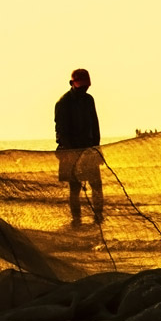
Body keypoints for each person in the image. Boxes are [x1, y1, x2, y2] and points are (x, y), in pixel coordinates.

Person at [54, 68, 103, 226]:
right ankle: (76, 220)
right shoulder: (63, 103)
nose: (84, 89)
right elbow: (61, 131)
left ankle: (99, 217)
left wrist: (97, 149)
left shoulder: (89, 100)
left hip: (89, 150)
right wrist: (73, 154)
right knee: (74, 189)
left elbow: (95, 126)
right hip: (70, 152)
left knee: (96, 185)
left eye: (86, 86)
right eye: (81, 86)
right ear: (72, 84)